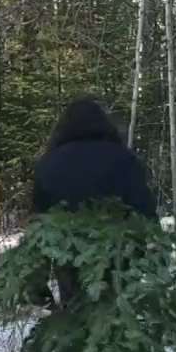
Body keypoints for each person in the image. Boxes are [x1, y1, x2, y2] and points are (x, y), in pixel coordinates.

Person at [30, 97, 158, 309]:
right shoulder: (124, 159)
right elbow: (144, 210)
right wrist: (150, 254)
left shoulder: (48, 165)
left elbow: (38, 226)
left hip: (69, 258)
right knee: (118, 317)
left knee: (76, 316)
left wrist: (39, 287)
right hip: (118, 257)